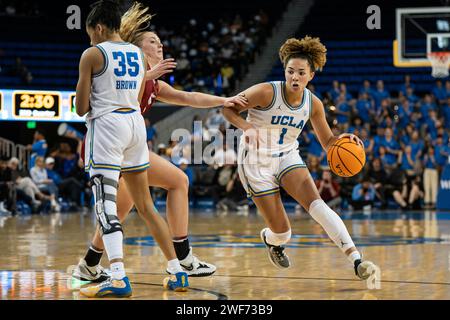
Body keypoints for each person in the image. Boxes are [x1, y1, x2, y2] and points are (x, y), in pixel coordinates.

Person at [71, 1, 248, 284]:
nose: (160, 45)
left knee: (138, 200)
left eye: (161, 42)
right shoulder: (125, 67)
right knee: (131, 203)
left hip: (126, 141)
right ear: (137, 51)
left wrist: (224, 100)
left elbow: (190, 97)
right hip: (106, 138)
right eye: (153, 42)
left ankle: (92, 264)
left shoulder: (153, 82)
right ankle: (176, 260)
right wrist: (146, 74)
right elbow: (91, 102)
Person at [223, 36, 378, 280]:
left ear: (311, 76)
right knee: (283, 233)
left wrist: (342, 140)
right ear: (285, 72)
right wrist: (246, 127)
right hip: (255, 162)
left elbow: (328, 143)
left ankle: (356, 259)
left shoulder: (313, 104)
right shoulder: (265, 92)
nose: (295, 77)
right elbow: (227, 108)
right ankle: (270, 239)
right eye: (290, 71)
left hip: (287, 155)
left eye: (301, 73)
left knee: (318, 206)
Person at [75, 0, 189, 297]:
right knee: (147, 205)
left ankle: (116, 278)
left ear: (98, 27)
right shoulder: (138, 55)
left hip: (108, 128)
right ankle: (177, 273)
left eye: (90, 32)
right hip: (135, 126)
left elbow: (80, 107)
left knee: (106, 207)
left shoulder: (92, 53)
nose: (90, 38)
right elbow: (139, 95)